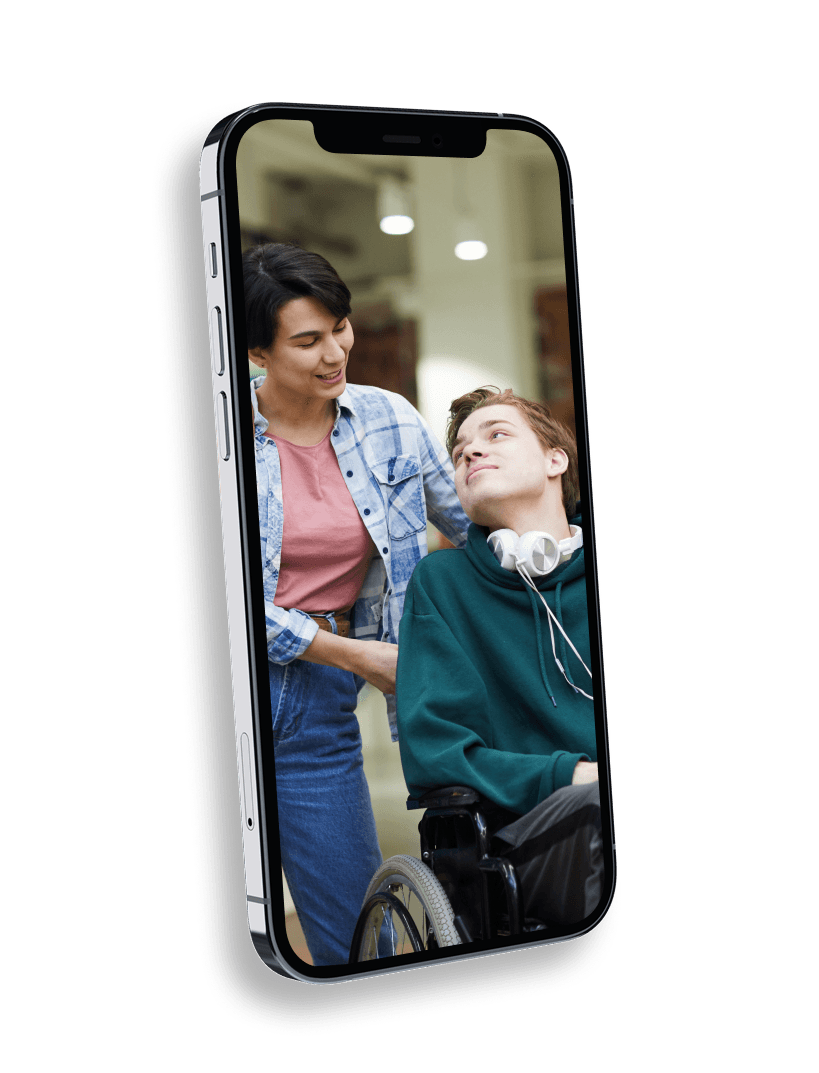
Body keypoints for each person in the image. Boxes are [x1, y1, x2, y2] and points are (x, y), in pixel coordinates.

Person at [243, 243, 469, 964]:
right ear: (256, 350)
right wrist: (351, 654)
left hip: (317, 703)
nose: (335, 350)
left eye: (339, 326)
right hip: (229, 684)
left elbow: (472, 527)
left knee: (352, 934)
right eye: (307, 340)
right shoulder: (213, 439)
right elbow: (216, 587)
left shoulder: (388, 420)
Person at [395, 386, 604, 929]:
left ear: (555, 459)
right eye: (460, 452)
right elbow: (438, 753)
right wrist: (576, 774)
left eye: (496, 435)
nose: (471, 453)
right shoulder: (442, 585)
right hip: (526, 838)